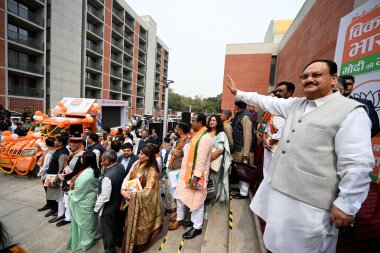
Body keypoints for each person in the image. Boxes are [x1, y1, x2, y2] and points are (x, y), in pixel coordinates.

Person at [226, 59, 374, 253]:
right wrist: (239, 93)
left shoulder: (351, 112)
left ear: (333, 79)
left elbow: (358, 164)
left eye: (316, 75)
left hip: (313, 204)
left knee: (306, 246)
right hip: (281, 194)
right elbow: (268, 101)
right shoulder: (295, 105)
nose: (309, 79)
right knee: (275, 242)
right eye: (305, 76)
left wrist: (347, 204)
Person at [175, 113, 212, 239]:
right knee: (190, 197)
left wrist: (195, 178)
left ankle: (197, 227)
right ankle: (193, 220)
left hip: (197, 176)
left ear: (200, 123)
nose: (191, 122)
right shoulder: (197, 135)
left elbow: (201, 161)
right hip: (189, 173)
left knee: (197, 200)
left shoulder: (204, 138)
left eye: (193, 120)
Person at [120, 145, 164, 252]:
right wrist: (123, 190)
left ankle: (136, 246)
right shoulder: (136, 163)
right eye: (139, 153)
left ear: (148, 157)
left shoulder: (152, 170)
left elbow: (149, 191)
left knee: (139, 226)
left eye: (142, 154)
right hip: (130, 198)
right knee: (129, 224)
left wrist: (133, 195)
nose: (138, 155)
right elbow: (127, 177)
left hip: (140, 203)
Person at [67, 151, 101, 252]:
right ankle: (92, 237)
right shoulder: (95, 169)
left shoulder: (86, 175)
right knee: (90, 221)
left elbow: (78, 191)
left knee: (83, 223)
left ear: (86, 160)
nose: (81, 159)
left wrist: (69, 193)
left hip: (83, 201)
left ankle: (86, 241)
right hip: (91, 199)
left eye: (82, 158)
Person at [94, 150, 125, 253]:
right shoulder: (120, 166)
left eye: (102, 159)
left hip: (109, 208)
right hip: (119, 204)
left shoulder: (108, 176)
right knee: (117, 226)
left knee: (107, 232)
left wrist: (96, 208)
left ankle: (110, 250)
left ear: (107, 161)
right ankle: (119, 242)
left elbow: (104, 196)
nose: (101, 161)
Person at [204, 115, 232, 219]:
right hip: (204, 164)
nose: (211, 122)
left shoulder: (221, 134)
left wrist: (207, 159)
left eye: (214, 120)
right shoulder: (205, 133)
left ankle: (208, 207)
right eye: (210, 120)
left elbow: (220, 150)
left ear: (218, 122)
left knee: (213, 184)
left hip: (214, 163)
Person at [55, 137, 85, 227]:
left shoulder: (82, 155)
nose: (70, 147)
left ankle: (69, 218)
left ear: (78, 145)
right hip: (67, 179)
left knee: (70, 201)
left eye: (72, 145)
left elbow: (77, 171)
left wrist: (64, 177)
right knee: (66, 200)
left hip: (73, 181)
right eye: (70, 145)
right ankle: (67, 216)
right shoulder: (73, 153)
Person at [167, 122, 191, 229]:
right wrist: (173, 152)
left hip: (180, 172)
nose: (175, 130)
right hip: (174, 170)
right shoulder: (179, 140)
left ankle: (180, 219)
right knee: (176, 195)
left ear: (180, 130)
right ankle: (179, 214)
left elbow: (188, 158)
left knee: (180, 196)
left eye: (177, 128)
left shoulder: (187, 142)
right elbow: (174, 151)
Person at [231, 100, 255, 199]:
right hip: (240, 147)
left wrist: (246, 153)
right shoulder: (241, 114)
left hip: (244, 149)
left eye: (235, 106)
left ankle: (244, 193)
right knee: (240, 170)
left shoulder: (245, 116)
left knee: (244, 170)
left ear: (237, 106)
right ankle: (241, 189)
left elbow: (248, 135)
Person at [44, 136, 70, 218]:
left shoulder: (63, 153)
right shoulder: (58, 150)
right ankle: (56, 210)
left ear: (60, 143)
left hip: (55, 177)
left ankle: (60, 214)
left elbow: (61, 168)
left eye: (55, 141)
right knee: (52, 195)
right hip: (51, 175)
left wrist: (55, 179)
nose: (54, 142)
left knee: (59, 197)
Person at [37, 138, 56, 212]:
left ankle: (52, 207)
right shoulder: (54, 150)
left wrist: (39, 173)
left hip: (47, 174)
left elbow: (46, 166)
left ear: (46, 144)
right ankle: (49, 204)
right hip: (51, 173)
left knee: (48, 191)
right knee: (49, 191)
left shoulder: (48, 154)